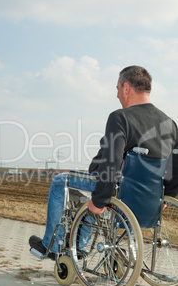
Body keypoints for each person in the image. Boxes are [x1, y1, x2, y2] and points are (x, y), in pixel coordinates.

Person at [29, 66, 178, 259]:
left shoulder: (120, 118)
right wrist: (169, 194)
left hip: (118, 186)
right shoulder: (170, 124)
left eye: (117, 88)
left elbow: (112, 161)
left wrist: (100, 200)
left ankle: (51, 246)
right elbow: (175, 163)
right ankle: (80, 246)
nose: (117, 95)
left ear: (126, 88)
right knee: (93, 195)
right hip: (148, 192)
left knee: (60, 181)